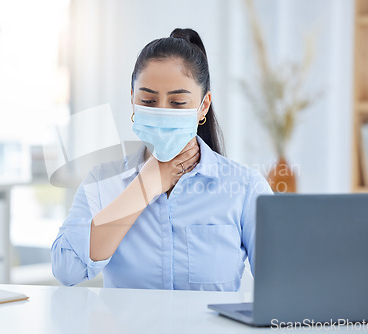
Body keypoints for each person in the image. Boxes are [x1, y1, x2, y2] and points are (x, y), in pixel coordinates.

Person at [51, 28, 273, 291]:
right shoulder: (102, 181)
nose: (162, 112)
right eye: (148, 100)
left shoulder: (245, 187)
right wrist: (145, 186)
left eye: (178, 102)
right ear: (133, 101)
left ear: (203, 106)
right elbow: (67, 269)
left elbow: (284, 285)